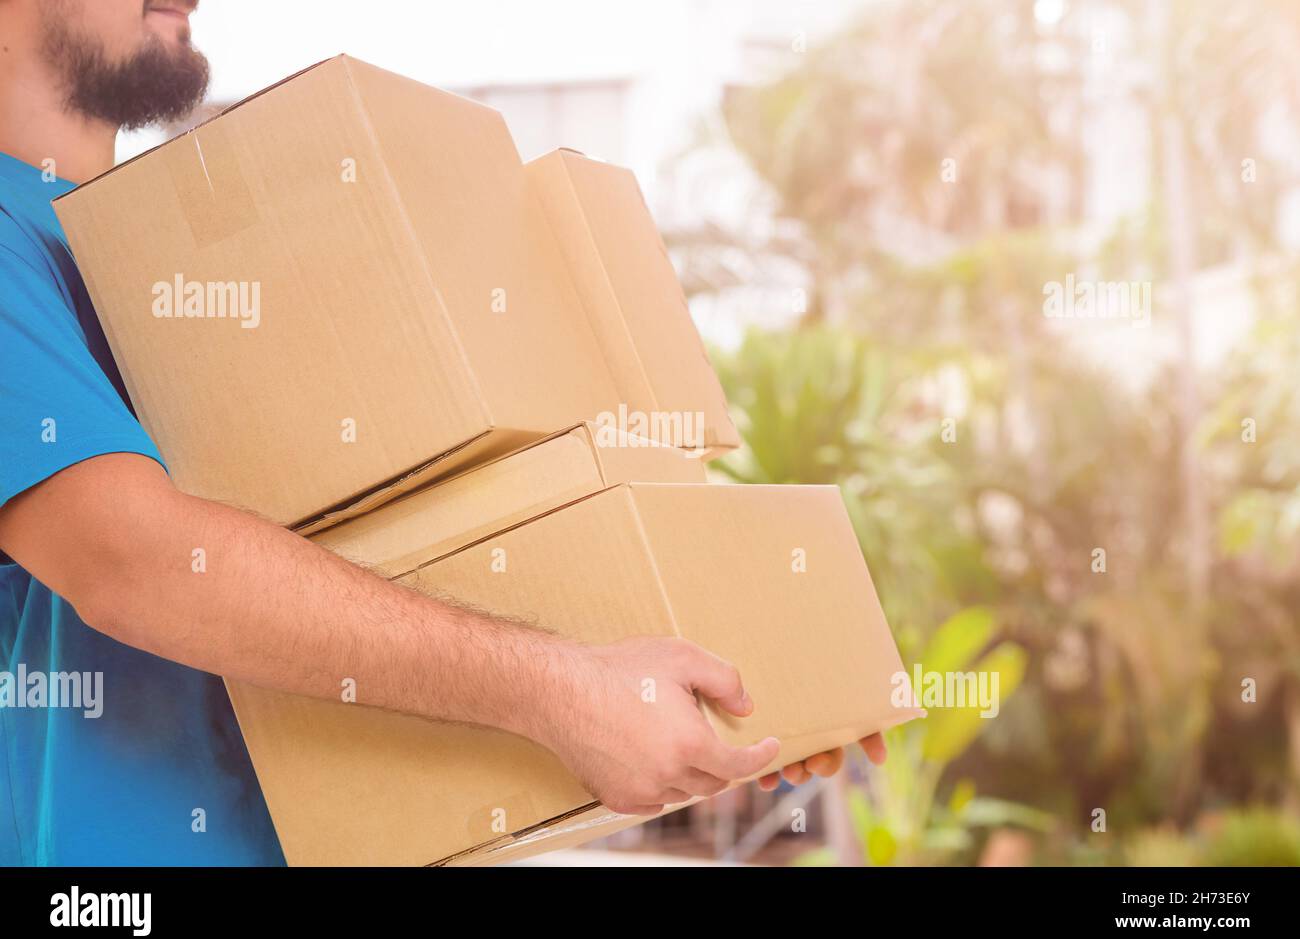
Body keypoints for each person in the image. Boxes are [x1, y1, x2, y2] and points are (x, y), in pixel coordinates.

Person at [0, 0, 885, 865]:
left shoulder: (160, 253)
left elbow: (413, 524)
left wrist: (727, 683)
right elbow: (132, 562)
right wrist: (561, 690)